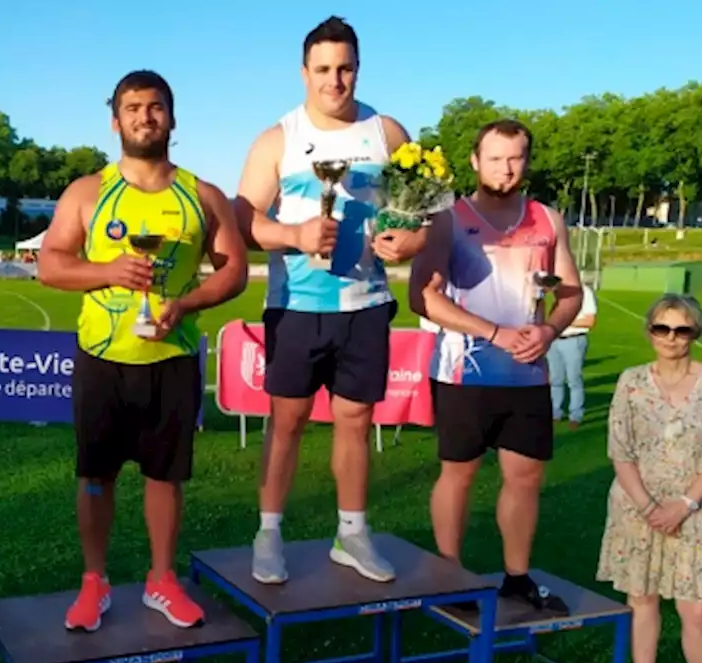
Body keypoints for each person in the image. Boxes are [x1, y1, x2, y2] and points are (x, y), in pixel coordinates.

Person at [38, 69, 248, 631]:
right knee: (94, 475)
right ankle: (93, 581)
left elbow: (234, 272)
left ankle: (161, 579)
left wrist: (186, 303)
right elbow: (50, 264)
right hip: (103, 357)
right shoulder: (88, 192)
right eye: (132, 108)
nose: (144, 117)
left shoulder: (202, 195)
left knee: (165, 476)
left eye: (155, 107)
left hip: (171, 357)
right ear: (115, 120)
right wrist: (106, 269)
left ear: (172, 118)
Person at [234, 16, 430, 585]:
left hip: (365, 302)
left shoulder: (387, 133)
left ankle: (352, 533)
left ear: (357, 70)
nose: (334, 81)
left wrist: (409, 240)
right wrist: (293, 236)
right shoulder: (279, 138)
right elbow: (246, 219)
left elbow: (421, 213)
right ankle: (268, 533)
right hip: (296, 302)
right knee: (288, 418)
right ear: (304, 73)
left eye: (344, 68)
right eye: (323, 69)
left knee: (355, 418)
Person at [408, 118, 584, 615]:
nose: (506, 169)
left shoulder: (548, 220)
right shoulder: (446, 217)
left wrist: (549, 330)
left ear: (526, 161)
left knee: (525, 477)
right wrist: (493, 332)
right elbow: (421, 298)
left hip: (528, 373)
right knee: (459, 474)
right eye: (495, 158)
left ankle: (517, 577)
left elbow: (570, 291)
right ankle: (448, 577)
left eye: (515, 158)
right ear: (474, 161)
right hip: (466, 370)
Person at [596, 294, 702, 663]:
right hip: (635, 504)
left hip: (694, 508)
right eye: (662, 328)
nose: (671, 338)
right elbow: (620, 451)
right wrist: (647, 507)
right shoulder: (631, 381)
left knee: (697, 609)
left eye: (682, 330)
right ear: (649, 330)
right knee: (642, 598)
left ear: (696, 333)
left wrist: (683, 504)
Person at [547, 283, 597, 428]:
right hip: (555, 339)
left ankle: (576, 414)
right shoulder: (558, 292)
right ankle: (555, 412)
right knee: (555, 379)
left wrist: (565, 322)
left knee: (574, 379)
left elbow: (590, 320)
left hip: (573, 340)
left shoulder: (584, 291)